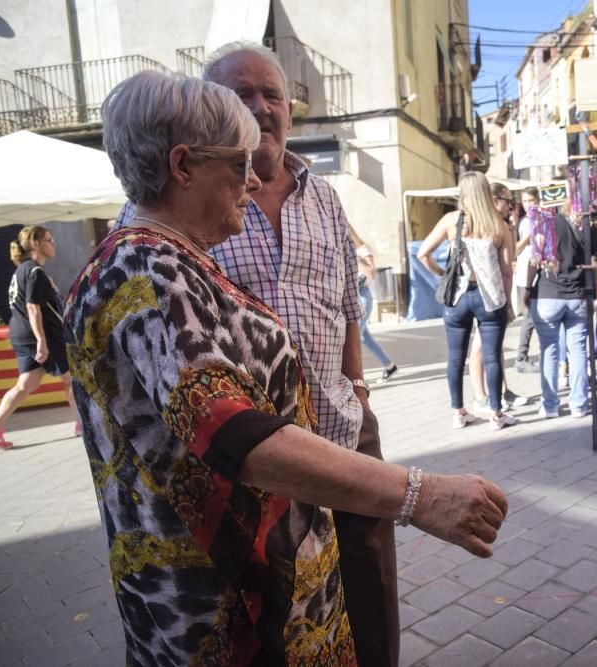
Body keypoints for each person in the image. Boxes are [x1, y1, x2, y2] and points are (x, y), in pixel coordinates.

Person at [71, 70, 507, 666]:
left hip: (259, 592)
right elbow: (234, 434)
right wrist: (418, 495)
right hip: (229, 614)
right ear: (183, 166)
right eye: (238, 163)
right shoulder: (147, 273)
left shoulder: (169, 260)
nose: (252, 180)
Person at [113, 42, 401, 667]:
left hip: (335, 425)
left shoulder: (321, 196)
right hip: (248, 481)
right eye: (240, 97)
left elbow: (346, 300)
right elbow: (224, 425)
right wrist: (422, 494)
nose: (260, 108)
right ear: (184, 161)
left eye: (271, 94)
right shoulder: (149, 248)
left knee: (362, 591)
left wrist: (356, 387)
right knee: (282, 606)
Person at [417, 172, 518, 430]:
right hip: (490, 299)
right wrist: (507, 303)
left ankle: (459, 412)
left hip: (458, 297)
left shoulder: (452, 221)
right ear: (486, 192)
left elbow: (422, 254)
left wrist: (443, 275)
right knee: (493, 356)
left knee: (455, 358)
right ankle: (496, 414)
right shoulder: (499, 225)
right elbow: (507, 270)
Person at [0, 227, 79, 449]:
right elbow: (32, 307)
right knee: (71, 379)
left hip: (21, 335)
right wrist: (41, 340)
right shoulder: (35, 272)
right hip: (43, 336)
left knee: (25, 385)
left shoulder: (21, 271)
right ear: (35, 244)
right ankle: (82, 423)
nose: (54, 244)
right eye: (49, 240)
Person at [524, 203, 597, 419]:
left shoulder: (547, 224)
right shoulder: (589, 228)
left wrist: (526, 289)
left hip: (547, 294)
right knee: (578, 350)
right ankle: (579, 404)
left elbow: (534, 261)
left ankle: (550, 405)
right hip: (578, 296)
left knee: (549, 350)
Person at [467, 182, 528, 412]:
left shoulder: (499, 225)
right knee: (481, 345)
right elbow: (506, 267)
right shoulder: (480, 225)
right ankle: (481, 396)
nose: (510, 206)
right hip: (482, 295)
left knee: (494, 345)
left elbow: (509, 259)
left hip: (492, 294)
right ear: (494, 199)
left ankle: (501, 391)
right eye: (507, 201)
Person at [348, 224, 398, 383]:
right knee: (364, 338)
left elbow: (371, 273)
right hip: (352, 296)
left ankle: (356, 379)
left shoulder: (362, 250)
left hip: (362, 295)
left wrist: (353, 257)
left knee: (354, 340)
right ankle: (389, 366)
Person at [512, 187, 541, 373]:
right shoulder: (521, 224)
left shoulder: (545, 219)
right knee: (529, 318)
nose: (529, 204)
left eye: (531, 200)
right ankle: (521, 357)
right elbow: (515, 250)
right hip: (525, 276)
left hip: (542, 274)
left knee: (541, 317)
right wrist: (529, 237)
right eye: (525, 201)